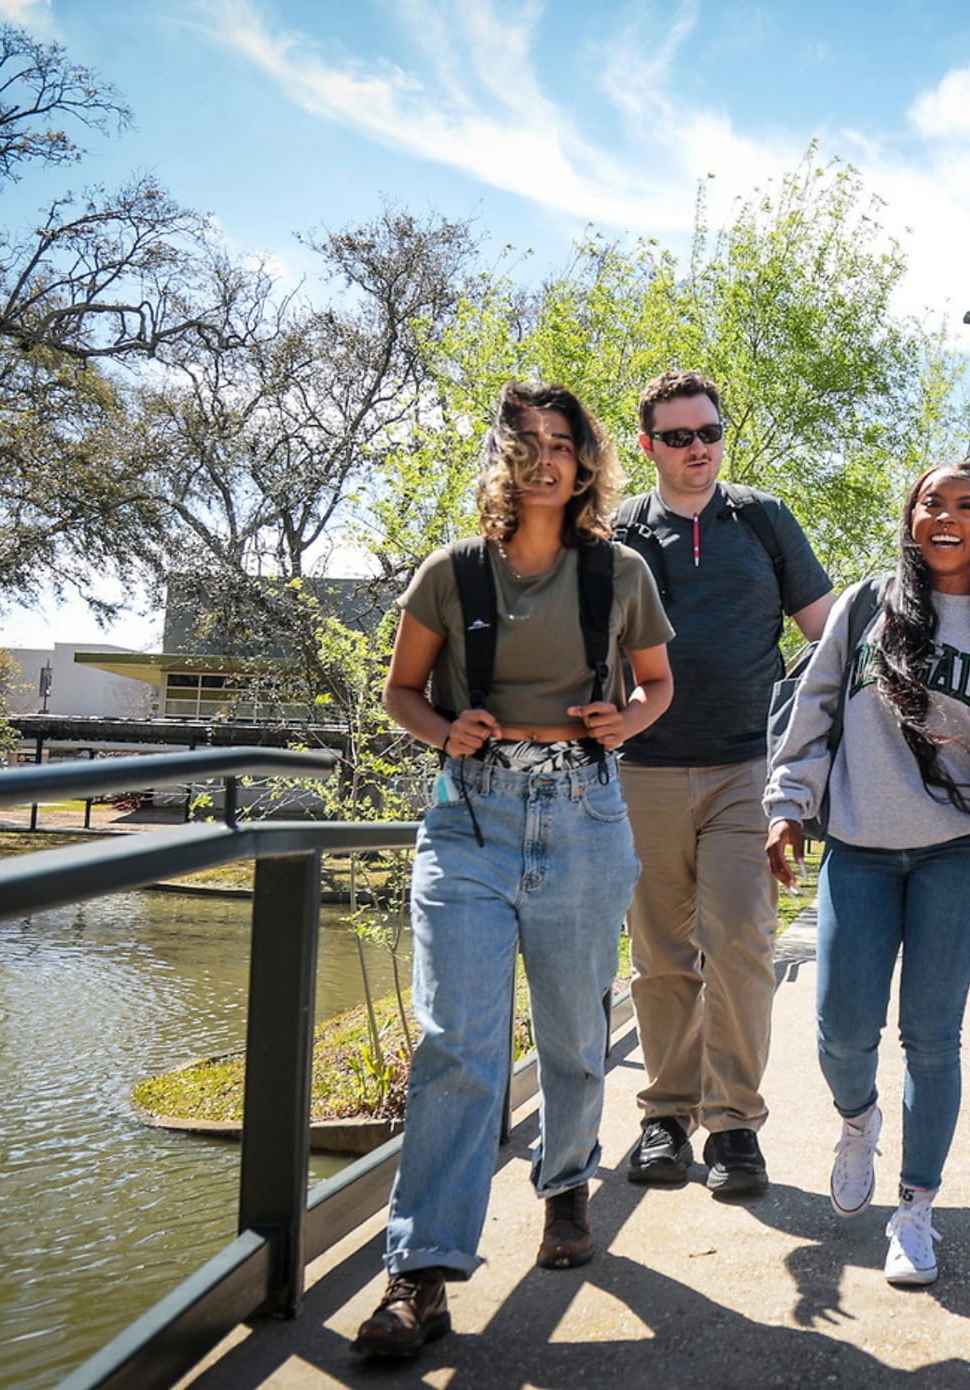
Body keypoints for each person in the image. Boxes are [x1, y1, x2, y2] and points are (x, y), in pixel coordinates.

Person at [352, 381, 675, 1359]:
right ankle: (421, 1272)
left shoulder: (618, 572)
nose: (544, 458)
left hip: (582, 814)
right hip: (470, 823)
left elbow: (658, 683)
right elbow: (400, 693)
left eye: (561, 442)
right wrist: (446, 726)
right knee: (457, 1040)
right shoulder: (451, 574)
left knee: (576, 1030)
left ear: (585, 459)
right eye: (525, 441)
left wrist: (631, 716)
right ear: (501, 454)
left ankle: (565, 1183)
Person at [764, 461, 970, 1287]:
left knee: (932, 1037)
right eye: (930, 501)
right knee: (839, 1027)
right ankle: (857, 1118)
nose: (945, 515)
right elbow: (817, 710)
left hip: (958, 848)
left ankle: (915, 1209)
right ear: (910, 517)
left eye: (966, 505)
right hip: (860, 847)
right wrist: (787, 805)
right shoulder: (867, 607)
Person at [615, 370, 834, 1197]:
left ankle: (734, 1127)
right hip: (644, 771)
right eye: (677, 437)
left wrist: (804, 742)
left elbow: (828, 636)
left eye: (708, 433)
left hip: (749, 768)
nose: (697, 449)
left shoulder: (763, 519)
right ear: (649, 446)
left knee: (742, 939)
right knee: (662, 955)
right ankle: (666, 1117)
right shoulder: (621, 533)